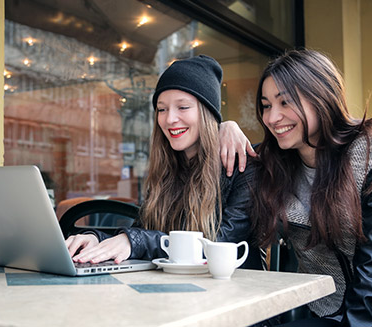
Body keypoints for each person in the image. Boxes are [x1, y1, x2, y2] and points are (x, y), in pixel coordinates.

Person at [247, 48, 372, 326]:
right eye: (266, 105)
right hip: (334, 315)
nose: (273, 118)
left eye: (285, 102)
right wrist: (227, 131)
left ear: (321, 98)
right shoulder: (273, 164)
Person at [65, 55, 263, 270]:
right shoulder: (167, 171)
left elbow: (219, 244)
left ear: (207, 112)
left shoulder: (243, 165)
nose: (169, 119)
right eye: (162, 109)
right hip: (174, 293)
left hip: (232, 295)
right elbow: (143, 232)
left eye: (183, 107)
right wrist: (96, 240)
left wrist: (134, 241)